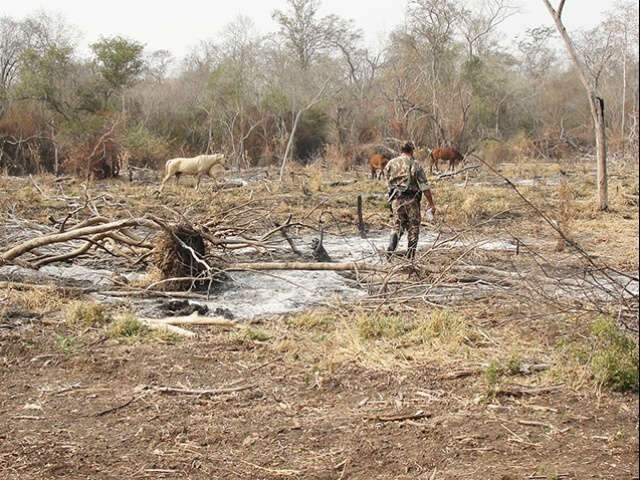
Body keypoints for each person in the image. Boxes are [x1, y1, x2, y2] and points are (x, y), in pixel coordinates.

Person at [383, 142, 436, 259]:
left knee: (397, 226)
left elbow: (388, 183)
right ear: (412, 151)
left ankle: (390, 251)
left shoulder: (390, 164)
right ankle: (410, 258)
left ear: (400, 150)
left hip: (396, 200)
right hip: (411, 200)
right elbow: (424, 186)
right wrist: (431, 204)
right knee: (413, 228)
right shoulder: (415, 164)